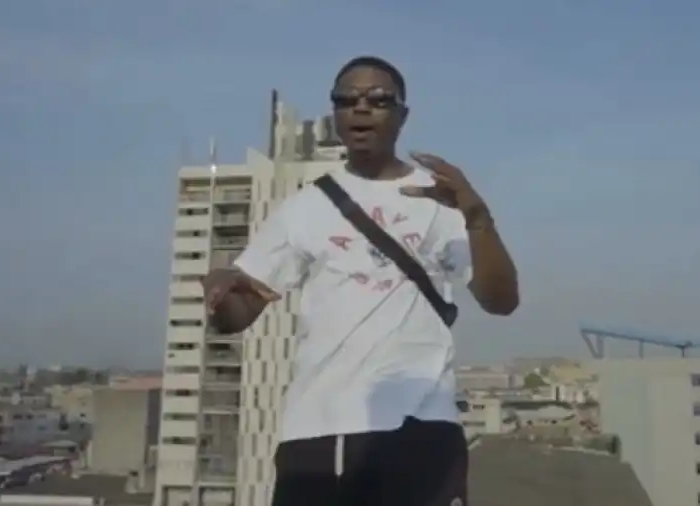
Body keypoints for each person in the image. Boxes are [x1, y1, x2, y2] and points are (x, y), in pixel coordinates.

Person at [202, 55, 519, 506]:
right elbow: (240, 312)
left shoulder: (442, 199)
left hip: (422, 427)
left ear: (403, 114)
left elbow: (501, 301)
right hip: (319, 431)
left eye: (379, 99)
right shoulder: (304, 208)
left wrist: (479, 220)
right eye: (346, 100)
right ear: (335, 113)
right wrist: (218, 295)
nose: (361, 108)